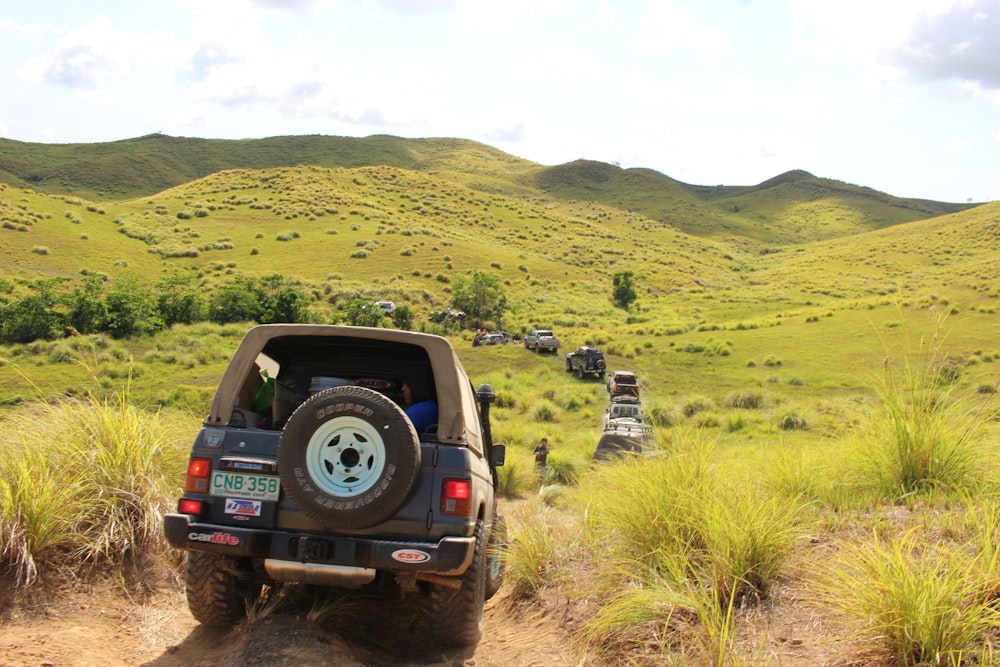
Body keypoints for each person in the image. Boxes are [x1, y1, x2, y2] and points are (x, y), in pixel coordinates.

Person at [401, 367, 438, 434]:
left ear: (416, 386)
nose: (403, 388)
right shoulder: (432, 407)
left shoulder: (418, 412)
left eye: (407, 385)